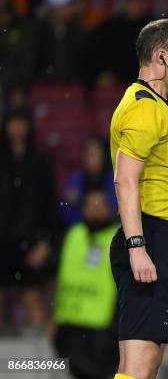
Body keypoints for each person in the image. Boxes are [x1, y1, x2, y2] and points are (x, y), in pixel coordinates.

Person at [109, 18, 168, 379]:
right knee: (139, 364)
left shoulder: (156, 105)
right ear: (161, 57)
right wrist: (139, 246)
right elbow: (125, 181)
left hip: (162, 237)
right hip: (149, 234)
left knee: (149, 361)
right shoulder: (144, 107)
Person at [0, 108, 58, 328]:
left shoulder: (40, 162)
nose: (17, 128)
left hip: (31, 241)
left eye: (21, 122)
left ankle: (38, 360)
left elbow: (50, 205)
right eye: (13, 122)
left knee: (33, 298)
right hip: (2, 240)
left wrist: (45, 241)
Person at [53, 189, 119, 379]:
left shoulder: (118, 238)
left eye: (99, 205)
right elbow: (62, 274)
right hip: (70, 322)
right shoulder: (74, 234)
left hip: (102, 326)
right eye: (90, 205)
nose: (94, 209)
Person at [61, 135, 118, 227]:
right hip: (82, 229)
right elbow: (63, 207)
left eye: (94, 154)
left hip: (110, 229)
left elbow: (117, 211)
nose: (90, 159)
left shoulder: (115, 179)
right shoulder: (76, 179)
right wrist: (69, 203)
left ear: (104, 156)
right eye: (87, 154)